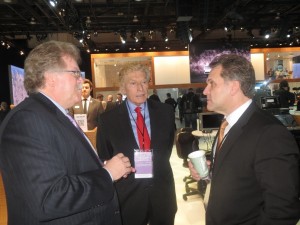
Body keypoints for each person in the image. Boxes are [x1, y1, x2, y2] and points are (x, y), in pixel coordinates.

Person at [0, 40, 135, 225]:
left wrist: (102, 167)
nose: (82, 80)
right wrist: (107, 174)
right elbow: (48, 198)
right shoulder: (27, 121)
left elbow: (65, 166)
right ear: (50, 78)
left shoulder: (53, 114)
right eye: (75, 73)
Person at [189, 54, 300, 225]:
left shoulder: (270, 133)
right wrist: (209, 172)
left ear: (233, 87)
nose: (205, 91)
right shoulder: (227, 124)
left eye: (212, 83)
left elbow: (282, 210)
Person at [96, 63, 177, 225]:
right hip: (128, 196)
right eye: (133, 83)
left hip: (162, 192)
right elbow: (104, 156)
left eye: (144, 82)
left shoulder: (165, 112)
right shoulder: (108, 120)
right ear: (123, 88)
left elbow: (166, 149)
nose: (140, 88)